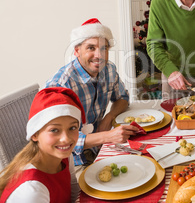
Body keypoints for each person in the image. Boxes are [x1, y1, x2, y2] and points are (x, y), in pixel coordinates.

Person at [45, 18, 139, 170]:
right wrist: (107, 136)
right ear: (77, 51)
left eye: (104, 48)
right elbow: (60, 140)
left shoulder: (108, 69)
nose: (99, 55)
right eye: (91, 48)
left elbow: (122, 98)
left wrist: (108, 118)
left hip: (99, 146)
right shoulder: (62, 84)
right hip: (68, 160)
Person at [0, 87, 84, 202]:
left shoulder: (63, 156)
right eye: (54, 130)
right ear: (34, 135)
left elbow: (73, 194)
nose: (66, 139)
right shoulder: (32, 190)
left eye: (72, 128)